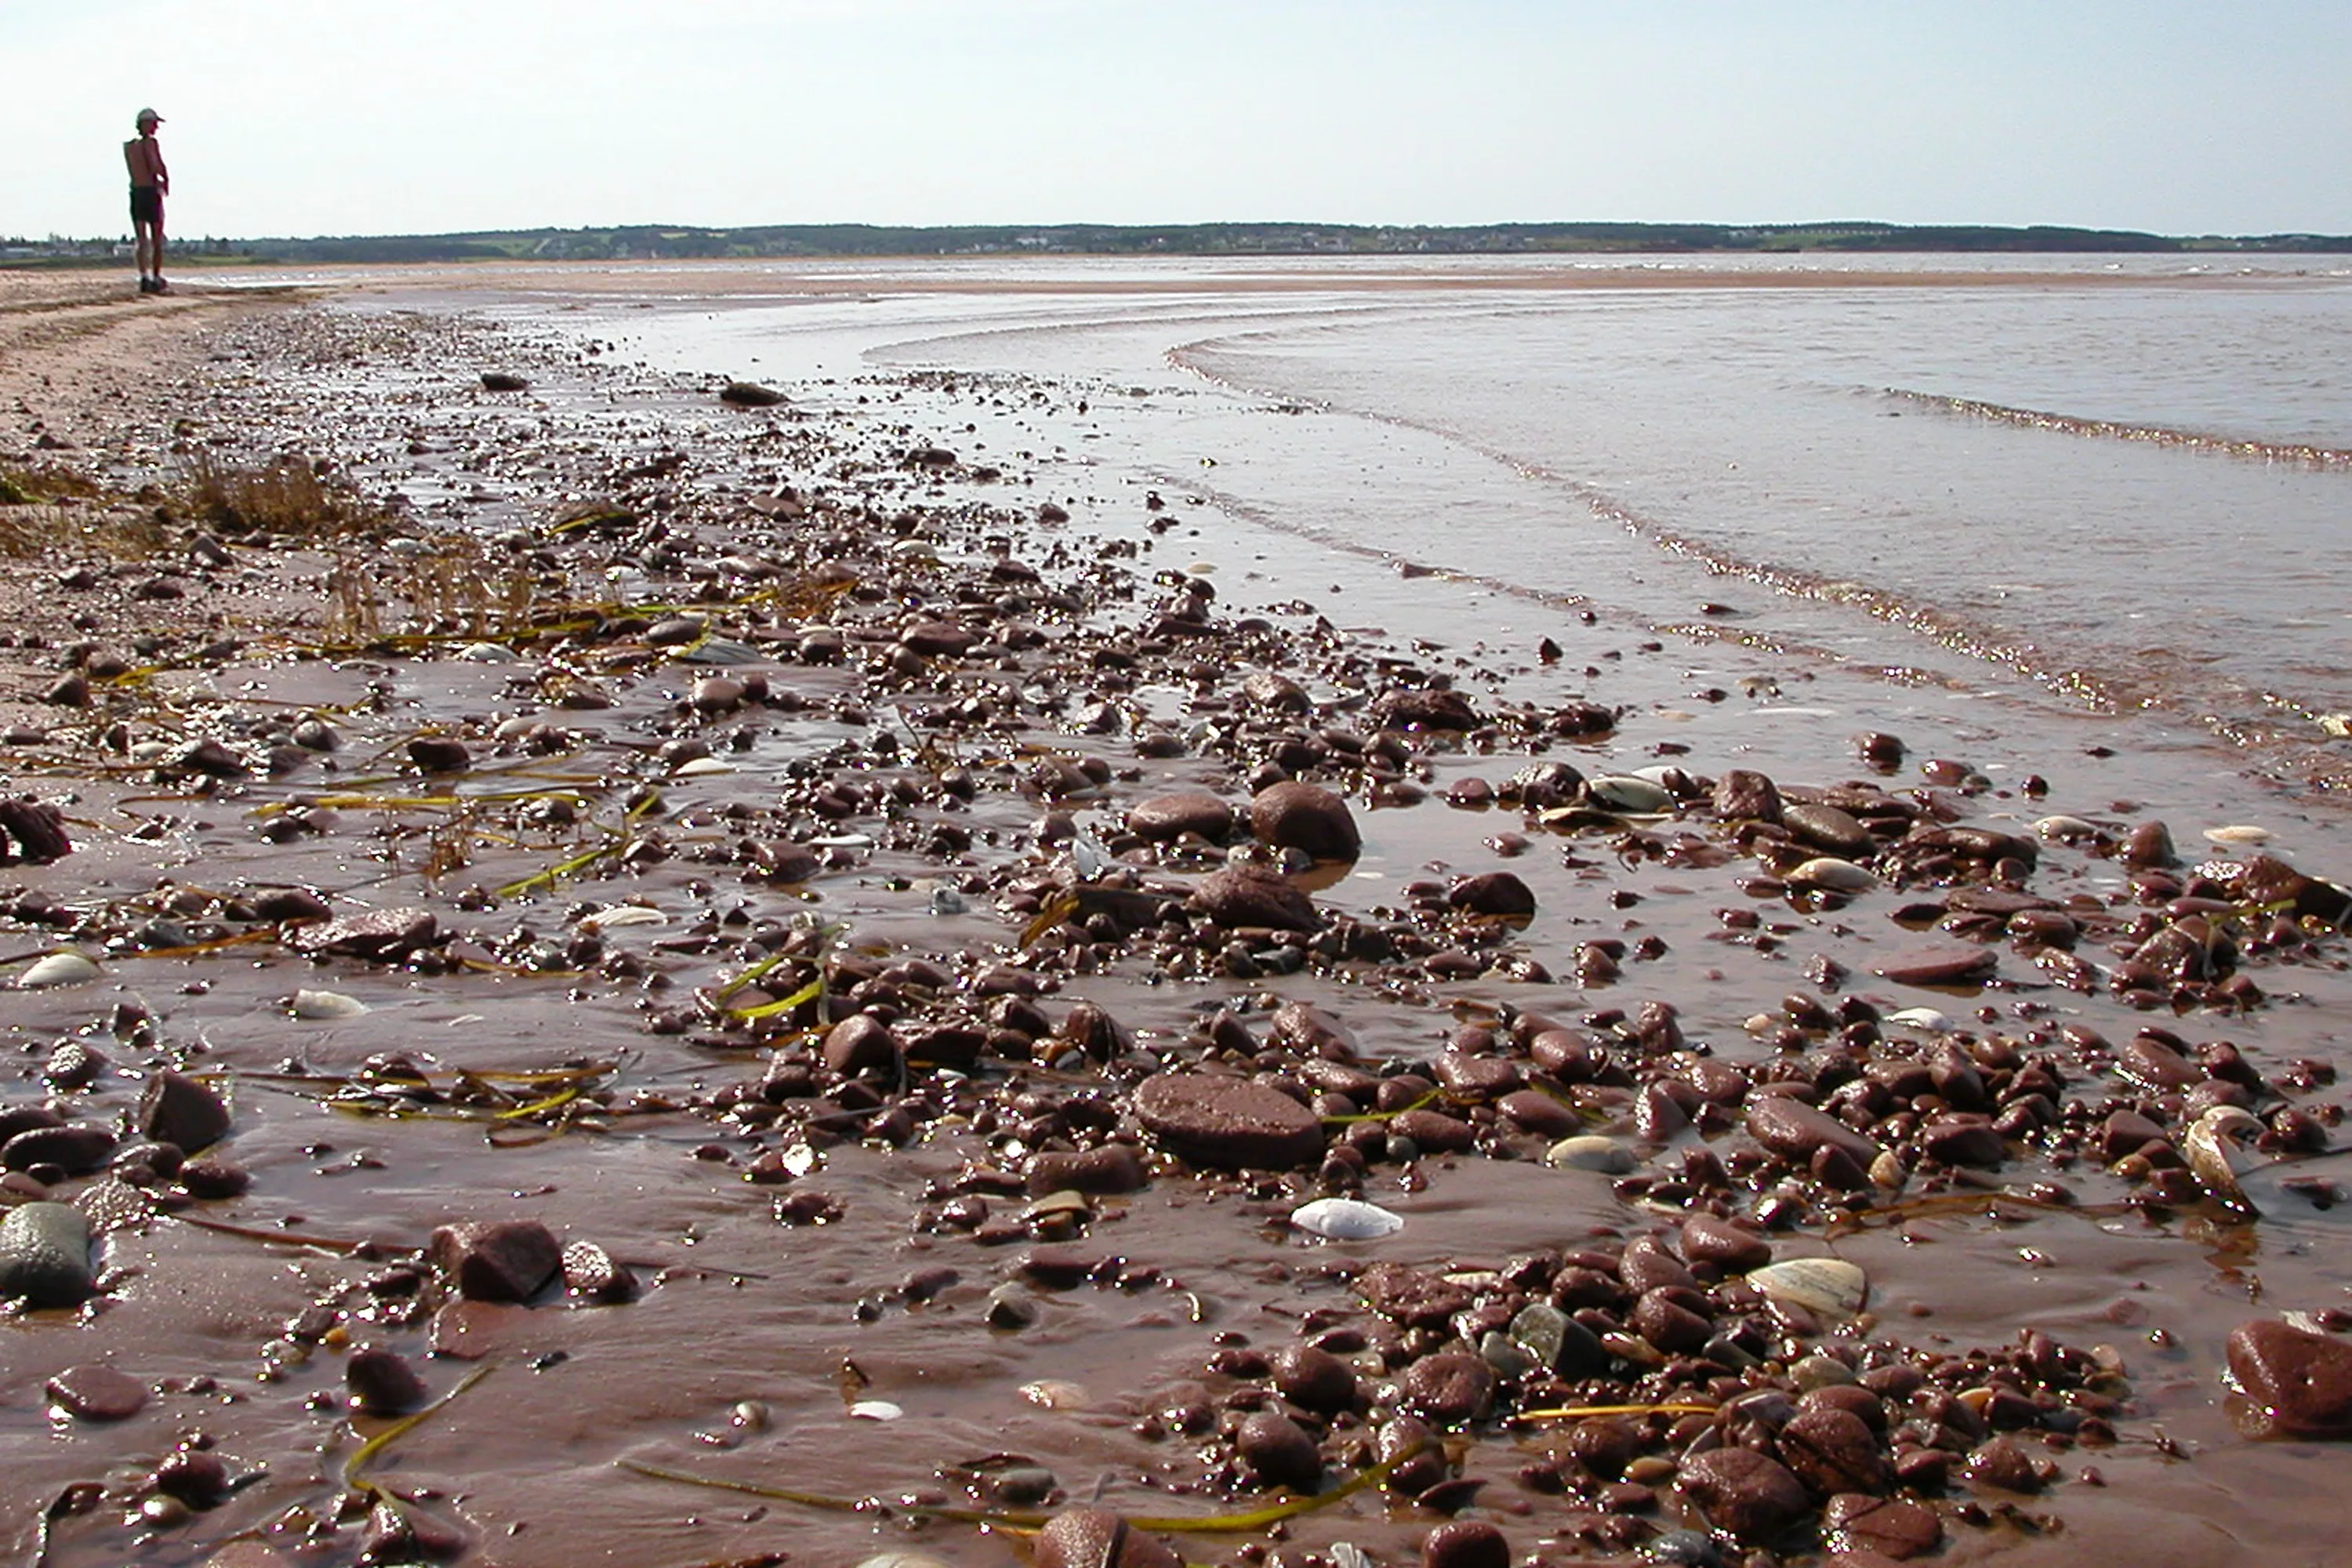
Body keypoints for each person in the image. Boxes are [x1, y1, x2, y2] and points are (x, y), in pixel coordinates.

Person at [124, 108, 169, 294]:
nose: (156, 127)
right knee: (156, 237)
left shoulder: (130, 147)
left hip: (136, 191)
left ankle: (144, 276)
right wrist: (165, 179)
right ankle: (156, 277)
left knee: (142, 238)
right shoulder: (150, 143)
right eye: (154, 123)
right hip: (150, 192)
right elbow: (155, 164)